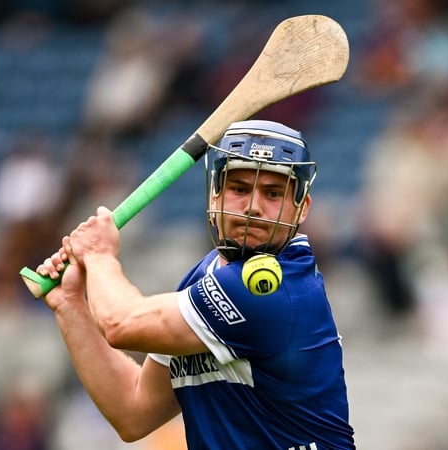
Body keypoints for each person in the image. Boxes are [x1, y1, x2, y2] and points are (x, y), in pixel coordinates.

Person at [36, 120, 355, 449]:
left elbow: (120, 324)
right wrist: (70, 302)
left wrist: (99, 254)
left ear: (302, 207)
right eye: (240, 189)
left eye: (273, 193)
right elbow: (132, 411)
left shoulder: (272, 289)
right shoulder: (204, 278)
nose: (253, 207)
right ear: (215, 195)